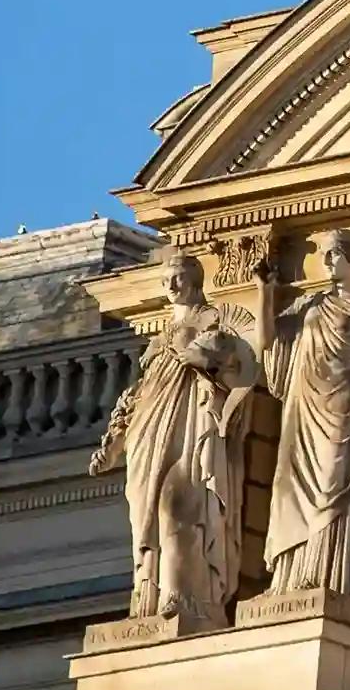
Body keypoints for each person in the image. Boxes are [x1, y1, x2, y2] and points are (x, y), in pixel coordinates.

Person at [88, 248, 261, 628]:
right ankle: (149, 598)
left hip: (192, 427)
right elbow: (138, 396)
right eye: (166, 278)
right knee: (147, 516)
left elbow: (233, 367)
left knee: (178, 504)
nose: (170, 284)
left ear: (196, 281)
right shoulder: (158, 339)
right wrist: (115, 444)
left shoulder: (212, 322)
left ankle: (187, 597)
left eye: (179, 276)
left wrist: (199, 355)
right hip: (150, 431)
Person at [262, 228, 350, 601]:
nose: (326, 261)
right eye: (324, 254)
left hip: (341, 409)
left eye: (335, 254)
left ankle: (324, 575)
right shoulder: (308, 306)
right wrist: (264, 293)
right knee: (290, 490)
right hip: (302, 408)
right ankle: (288, 580)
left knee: (332, 486)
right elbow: (268, 341)